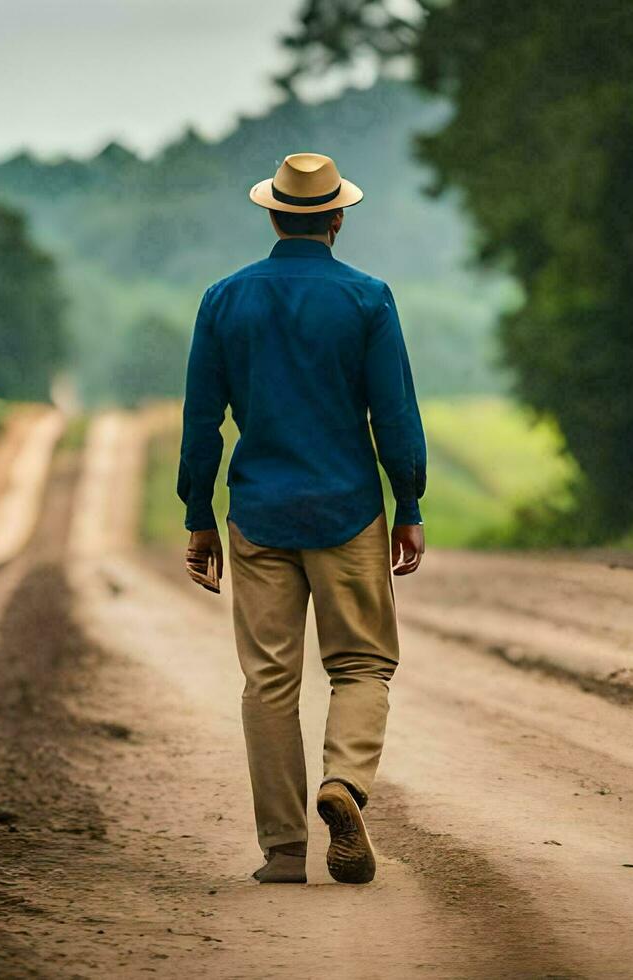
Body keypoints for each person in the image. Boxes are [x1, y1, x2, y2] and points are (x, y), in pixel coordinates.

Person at [177, 152, 427, 885]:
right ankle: (343, 785)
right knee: (361, 663)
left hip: (257, 517)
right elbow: (397, 418)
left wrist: (199, 514)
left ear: (273, 213)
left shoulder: (224, 300)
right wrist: (407, 502)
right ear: (338, 217)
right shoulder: (368, 300)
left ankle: (284, 851)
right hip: (348, 512)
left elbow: (202, 423)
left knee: (269, 683)